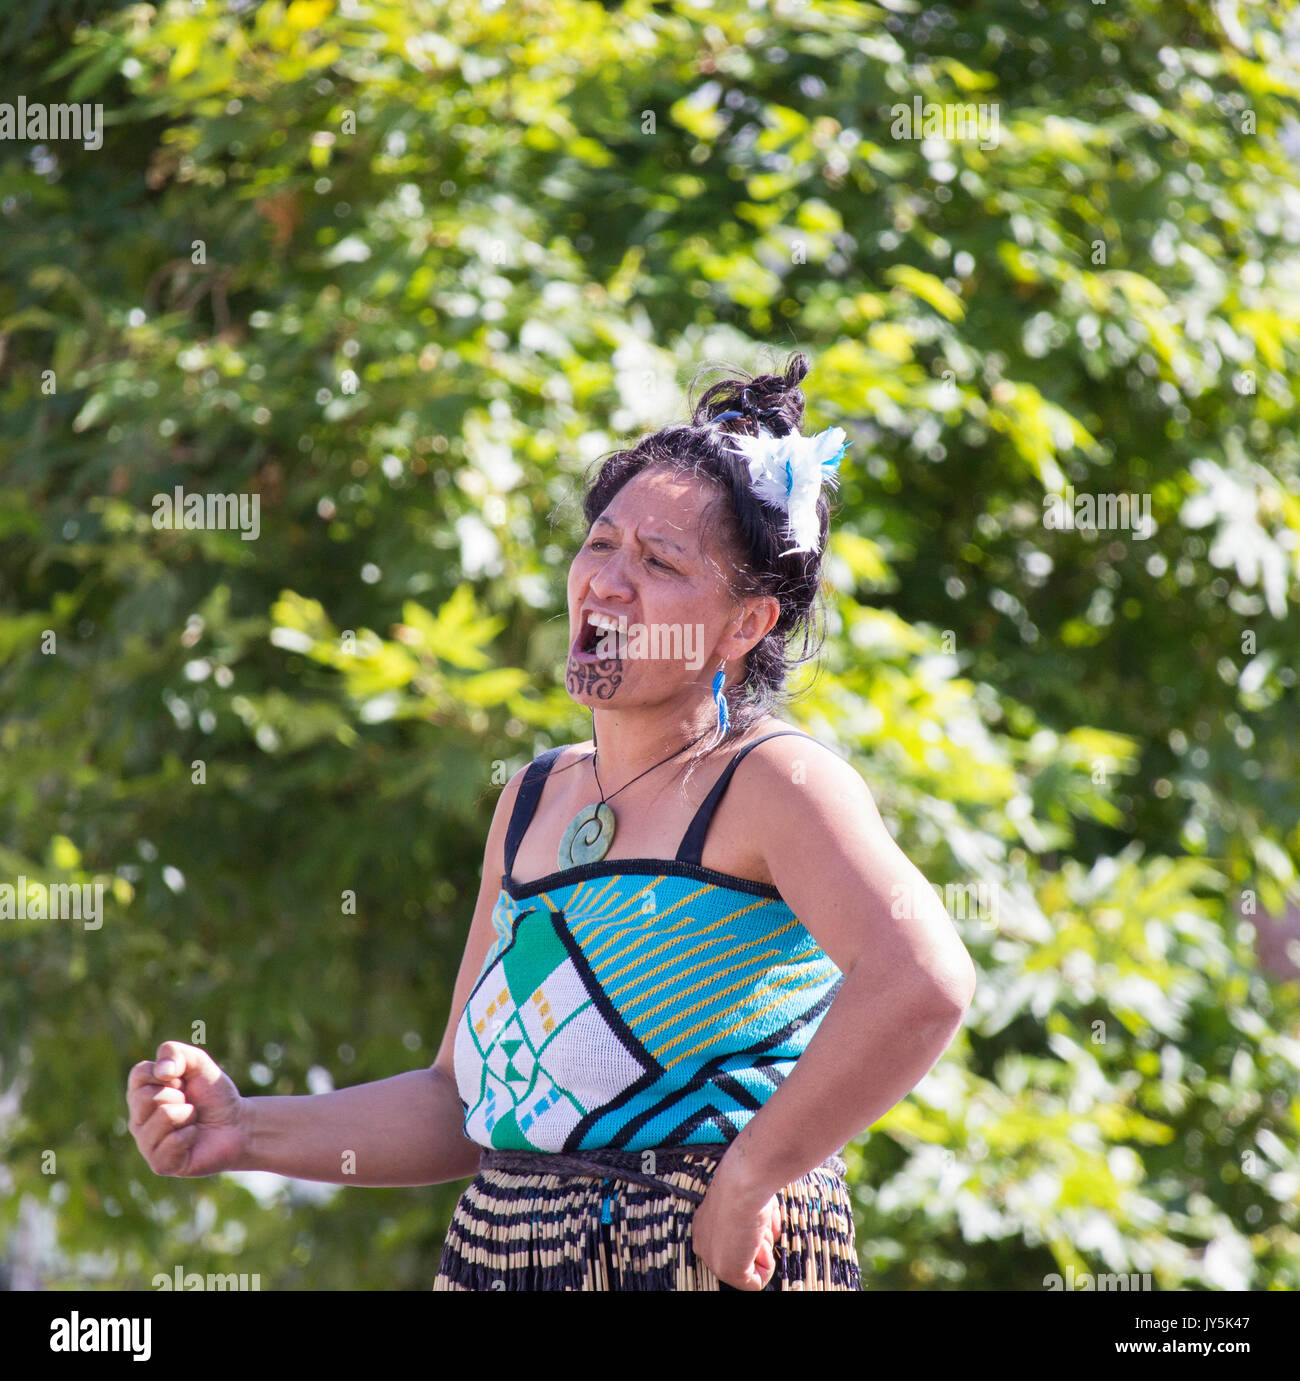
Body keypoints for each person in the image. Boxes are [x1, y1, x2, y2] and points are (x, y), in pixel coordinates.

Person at [126, 352, 976, 1290]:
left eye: (659, 563)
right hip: (505, 1259)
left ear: (745, 626)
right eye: (601, 544)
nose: (609, 581)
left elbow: (923, 978)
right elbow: (461, 1103)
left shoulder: (777, 782)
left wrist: (750, 1177)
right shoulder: (532, 800)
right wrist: (245, 1127)